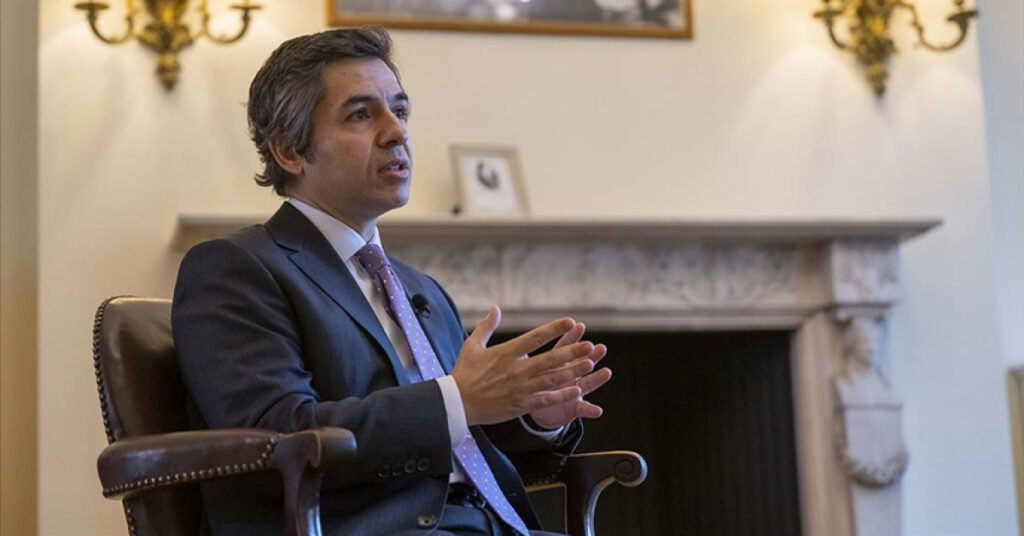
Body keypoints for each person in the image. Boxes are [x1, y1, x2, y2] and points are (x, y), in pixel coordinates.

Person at [172, 27, 611, 536]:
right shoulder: (237, 268)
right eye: (361, 115)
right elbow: (276, 439)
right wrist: (457, 400)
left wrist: (535, 415)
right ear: (290, 151)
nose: (396, 132)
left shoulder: (420, 289)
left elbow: (464, 443)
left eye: (400, 111)